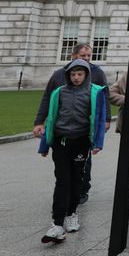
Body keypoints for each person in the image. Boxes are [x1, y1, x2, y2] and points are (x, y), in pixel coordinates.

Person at [33, 59, 108, 244]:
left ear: (86, 75)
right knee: (62, 180)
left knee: (77, 179)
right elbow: (52, 118)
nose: (76, 78)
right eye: (73, 74)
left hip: (81, 141)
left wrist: (98, 143)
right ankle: (57, 223)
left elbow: (99, 118)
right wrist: (44, 145)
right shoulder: (59, 92)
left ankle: (71, 213)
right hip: (61, 141)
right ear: (68, 75)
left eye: (80, 74)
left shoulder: (95, 93)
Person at [38, 44, 108, 204]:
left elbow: (104, 101)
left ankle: (82, 190)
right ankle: (63, 198)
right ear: (73, 55)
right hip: (62, 132)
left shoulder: (97, 73)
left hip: (83, 132)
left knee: (83, 164)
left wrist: (105, 121)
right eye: (83, 56)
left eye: (89, 56)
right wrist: (39, 122)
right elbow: (48, 100)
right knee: (62, 170)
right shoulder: (58, 76)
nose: (87, 59)